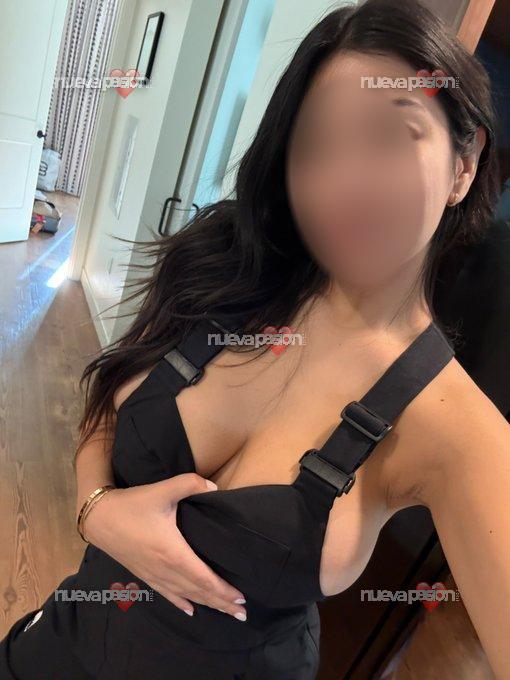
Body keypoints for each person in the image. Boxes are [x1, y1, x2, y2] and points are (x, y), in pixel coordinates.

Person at [2, 0, 510, 678]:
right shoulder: (226, 268)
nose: (345, 183)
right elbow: (107, 405)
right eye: (316, 145)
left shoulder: (454, 426)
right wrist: (96, 509)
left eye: (392, 136)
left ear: (463, 166)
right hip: (55, 647)